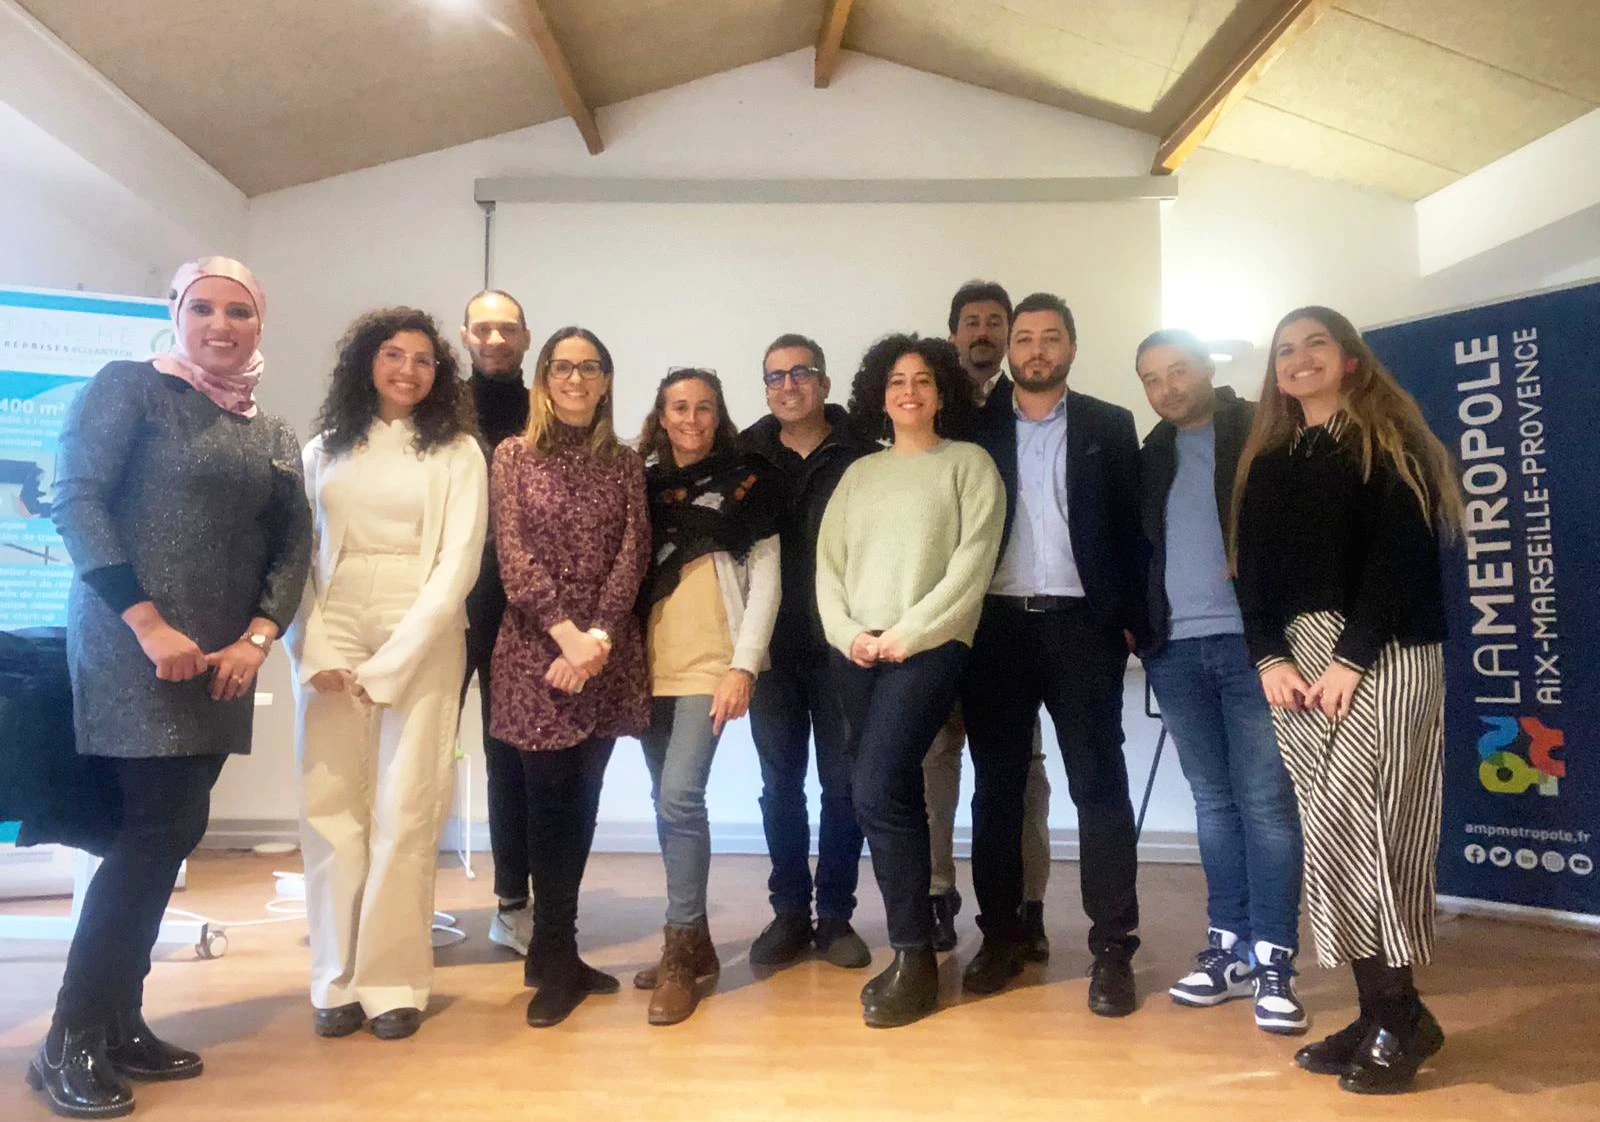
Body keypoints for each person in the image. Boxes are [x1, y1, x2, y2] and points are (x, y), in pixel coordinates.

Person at [31, 257, 310, 1119]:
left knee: (169, 832)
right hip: (134, 651)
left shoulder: (270, 430)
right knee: (153, 833)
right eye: (203, 308)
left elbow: (292, 546)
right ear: (176, 313)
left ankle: (119, 1021)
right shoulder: (131, 389)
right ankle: (71, 1037)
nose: (221, 325)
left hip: (221, 663)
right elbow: (77, 503)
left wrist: (258, 639)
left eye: (240, 312)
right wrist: (148, 624)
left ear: (260, 323)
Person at [1233, 306, 1459, 1094]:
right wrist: (1268, 657)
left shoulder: (1385, 443)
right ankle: (1385, 1013)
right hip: (1298, 667)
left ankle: (1397, 1017)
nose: (1298, 359)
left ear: (1350, 360)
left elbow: (1401, 561)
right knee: (1335, 839)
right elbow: (1250, 575)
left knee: (1376, 835)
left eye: (1315, 344)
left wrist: (1352, 657)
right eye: (1284, 350)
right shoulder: (1269, 462)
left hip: (1381, 656)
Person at [287, 307, 487, 1042]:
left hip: (423, 626)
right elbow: (295, 554)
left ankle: (393, 982)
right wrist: (313, 647)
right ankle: (334, 979)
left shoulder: (458, 452)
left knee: (408, 806)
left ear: (441, 374)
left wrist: (395, 660)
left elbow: (459, 563)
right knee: (331, 806)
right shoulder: (322, 449)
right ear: (366, 362)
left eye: (424, 360)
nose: (408, 370)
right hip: (334, 617)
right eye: (394, 355)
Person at [960, 292, 1146, 1017]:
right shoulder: (973, 427)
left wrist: (1128, 620)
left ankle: (1113, 950)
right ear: (1009, 349)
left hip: (1082, 629)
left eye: (1050, 337)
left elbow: (1134, 530)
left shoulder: (1110, 424)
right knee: (997, 791)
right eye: (1025, 338)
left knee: (1098, 787)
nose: (1036, 349)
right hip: (996, 628)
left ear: (1071, 346)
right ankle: (1001, 937)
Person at [816, 334, 1004, 1027]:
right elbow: (827, 567)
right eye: (897, 381)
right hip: (858, 652)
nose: (909, 391)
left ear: (942, 390)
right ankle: (911, 951)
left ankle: (916, 957)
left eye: (923, 379)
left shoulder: (969, 465)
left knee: (875, 786)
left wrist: (907, 634)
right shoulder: (859, 474)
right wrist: (850, 634)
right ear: (880, 393)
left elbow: (971, 567)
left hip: (927, 650)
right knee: (884, 794)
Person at [1134, 329, 1305, 1034]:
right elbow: (1134, 547)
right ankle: (1228, 947)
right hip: (1175, 650)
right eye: (1152, 379)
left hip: (1255, 646)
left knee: (1265, 802)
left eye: (1178, 370)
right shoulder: (1150, 454)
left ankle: (1275, 961)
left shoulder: (1264, 429)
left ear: (1206, 367)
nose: (1167, 388)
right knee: (1213, 802)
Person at [489, 326, 650, 1028]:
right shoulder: (513, 455)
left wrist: (597, 641)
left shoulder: (626, 461)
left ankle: (558, 951)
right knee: (546, 808)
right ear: (544, 379)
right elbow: (514, 555)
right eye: (562, 367)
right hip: (536, 656)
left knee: (582, 805)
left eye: (589, 367)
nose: (576, 378)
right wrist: (566, 636)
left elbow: (633, 553)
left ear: (606, 380)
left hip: (604, 659)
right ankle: (553, 960)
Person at [631, 368, 784, 1025]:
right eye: (679, 407)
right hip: (647, 664)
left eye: (703, 407)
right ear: (661, 416)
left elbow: (768, 579)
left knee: (680, 797)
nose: (691, 418)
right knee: (665, 804)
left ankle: (677, 949)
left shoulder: (747, 482)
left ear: (718, 416)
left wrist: (743, 666)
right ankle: (696, 943)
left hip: (710, 664)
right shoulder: (640, 486)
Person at [924, 281, 1053, 955]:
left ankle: (1028, 905)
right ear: (953, 334)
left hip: (1006, 622)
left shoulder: (1027, 408)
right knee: (934, 763)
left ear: (1007, 336)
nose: (982, 332)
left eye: (994, 322)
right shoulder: (928, 408)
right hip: (936, 615)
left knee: (1021, 774)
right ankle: (936, 895)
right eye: (970, 321)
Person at [742, 335, 873, 969]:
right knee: (779, 785)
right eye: (776, 376)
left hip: (843, 645)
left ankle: (837, 916)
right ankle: (790, 913)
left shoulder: (863, 452)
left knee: (843, 786)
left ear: (824, 381)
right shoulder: (745, 453)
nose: (788, 385)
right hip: (770, 649)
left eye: (801, 373)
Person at [457, 289, 537, 955]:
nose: (494, 339)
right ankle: (389, 904)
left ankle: (513, 903)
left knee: (508, 751)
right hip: (447, 601)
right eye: (482, 328)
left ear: (525, 337)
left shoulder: (548, 408)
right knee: (415, 749)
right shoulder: (439, 407)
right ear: (465, 335)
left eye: (506, 328)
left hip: (522, 603)